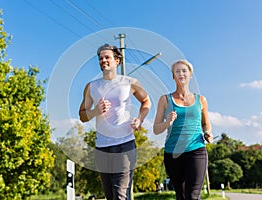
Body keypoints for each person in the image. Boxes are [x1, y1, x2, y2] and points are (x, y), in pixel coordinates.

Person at [79, 44, 151, 200]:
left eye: (107, 57)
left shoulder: (130, 82)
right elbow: (82, 115)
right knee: (110, 195)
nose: (103, 60)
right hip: (102, 147)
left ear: (117, 60)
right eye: (100, 58)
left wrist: (139, 119)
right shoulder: (91, 87)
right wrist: (95, 111)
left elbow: (146, 101)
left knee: (120, 195)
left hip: (125, 144)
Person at [153, 59, 213, 200]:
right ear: (173, 76)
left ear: (190, 75)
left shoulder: (201, 100)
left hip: (196, 149)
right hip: (173, 153)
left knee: (192, 196)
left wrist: (207, 133)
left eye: (184, 71)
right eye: (177, 71)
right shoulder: (165, 100)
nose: (181, 74)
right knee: (181, 196)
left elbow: (206, 124)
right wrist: (167, 122)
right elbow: (156, 129)